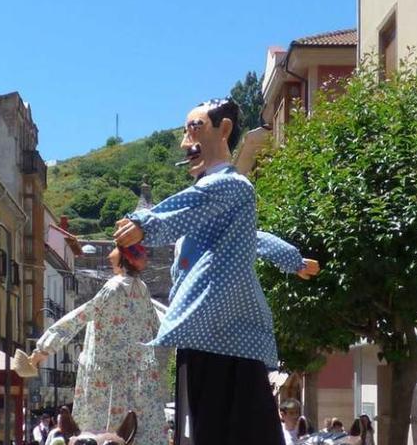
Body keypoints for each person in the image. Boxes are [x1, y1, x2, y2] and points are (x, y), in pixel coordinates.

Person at [113, 98, 320, 445]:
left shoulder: (230, 186)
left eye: (194, 128)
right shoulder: (219, 198)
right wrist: (292, 260)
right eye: (184, 132)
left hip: (218, 325)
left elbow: (184, 208)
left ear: (223, 130)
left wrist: (143, 222)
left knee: (224, 427)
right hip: (213, 330)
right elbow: (252, 238)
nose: (184, 142)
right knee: (230, 426)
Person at [30, 245, 167, 445]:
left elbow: (80, 316)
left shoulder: (113, 288)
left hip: (106, 380)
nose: (109, 255)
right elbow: (158, 324)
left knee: (99, 434)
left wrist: (43, 349)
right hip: (137, 380)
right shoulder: (141, 288)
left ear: (123, 257)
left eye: (114, 250)